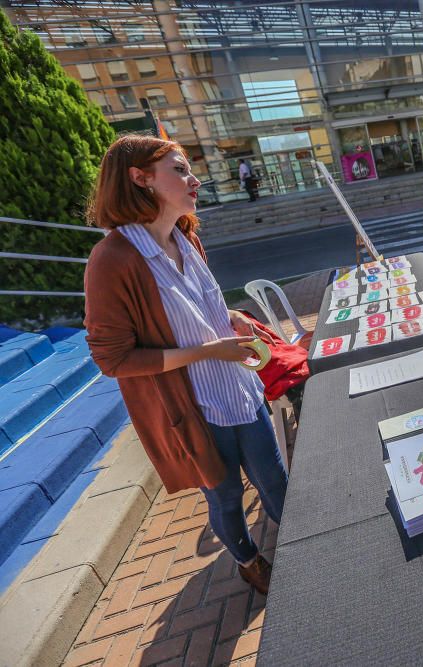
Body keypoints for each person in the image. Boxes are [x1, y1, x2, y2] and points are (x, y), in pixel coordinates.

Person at [85, 135, 287, 595]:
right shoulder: (111, 260)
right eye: (179, 170)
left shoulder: (186, 236)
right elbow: (112, 359)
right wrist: (207, 351)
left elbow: (198, 309)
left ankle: (311, 548)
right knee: (227, 497)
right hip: (194, 410)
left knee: (276, 482)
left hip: (238, 388)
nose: (194, 179)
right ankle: (248, 559)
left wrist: (231, 317)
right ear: (140, 179)